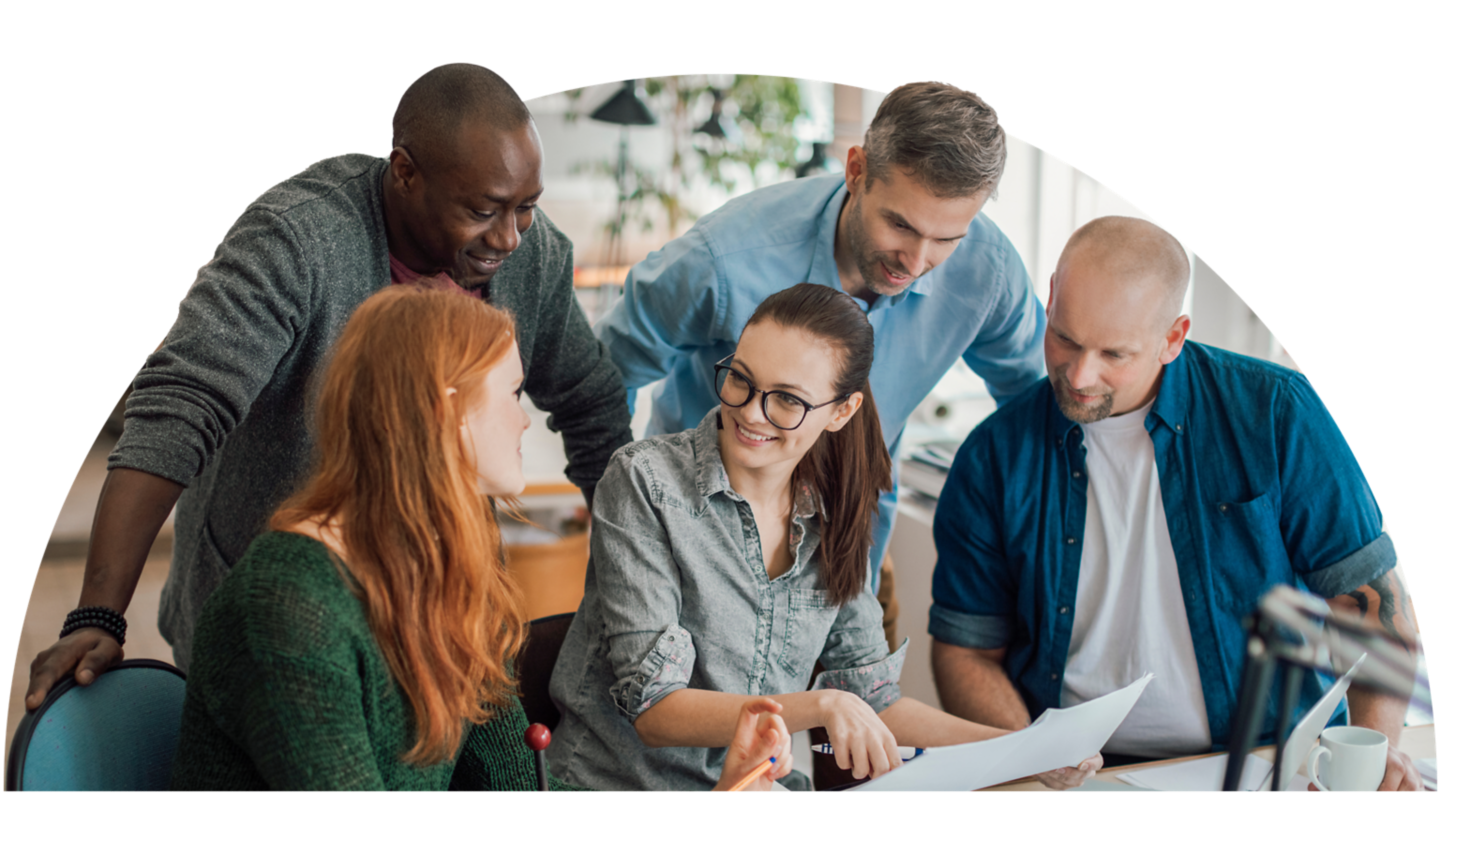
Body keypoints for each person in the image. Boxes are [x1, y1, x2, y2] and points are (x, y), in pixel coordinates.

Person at [25, 63, 633, 708]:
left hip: (437, 610)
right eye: (482, 211)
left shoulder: (530, 259)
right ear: (404, 172)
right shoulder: (298, 238)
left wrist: (638, 591)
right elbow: (180, 409)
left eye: (526, 209)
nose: (509, 237)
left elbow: (592, 408)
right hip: (277, 613)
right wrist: (99, 614)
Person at [168, 286, 790, 792]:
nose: (525, 418)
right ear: (447, 411)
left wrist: (714, 804)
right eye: (513, 393)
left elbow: (521, 793)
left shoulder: (450, 561)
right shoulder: (289, 606)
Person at [928, 216, 1424, 791]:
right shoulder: (994, 454)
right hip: (1077, 776)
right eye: (1064, 338)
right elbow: (966, 652)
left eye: (1114, 353)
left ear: (1174, 336)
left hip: (1271, 764)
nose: (1079, 373)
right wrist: (1032, 764)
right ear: (1052, 300)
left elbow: (1370, 605)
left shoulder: (1275, 413)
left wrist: (1375, 749)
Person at [549, 284, 1098, 792]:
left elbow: (874, 702)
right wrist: (822, 704)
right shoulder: (643, 481)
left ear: (842, 411)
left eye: (787, 399)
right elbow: (656, 710)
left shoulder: (835, 514)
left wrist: (1026, 751)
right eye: (741, 378)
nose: (749, 412)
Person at [594, 80, 1047, 649]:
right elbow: (604, 374)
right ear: (856, 170)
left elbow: (1035, 403)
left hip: (854, 557)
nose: (917, 260)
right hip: (696, 561)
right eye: (901, 225)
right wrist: (621, 517)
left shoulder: (988, 270)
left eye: (946, 239)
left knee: (855, 730)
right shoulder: (725, 258)